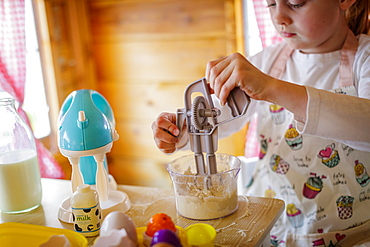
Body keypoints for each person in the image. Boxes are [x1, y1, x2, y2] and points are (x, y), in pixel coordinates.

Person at [152, 0, 370, 246]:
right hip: (269, 229)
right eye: (271, 3)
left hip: (346, 236)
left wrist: (271, 88)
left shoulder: (365, 60)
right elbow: (217, 118)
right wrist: (179, 131)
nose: (279, 17)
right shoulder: (268, 61)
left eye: (295, 3)